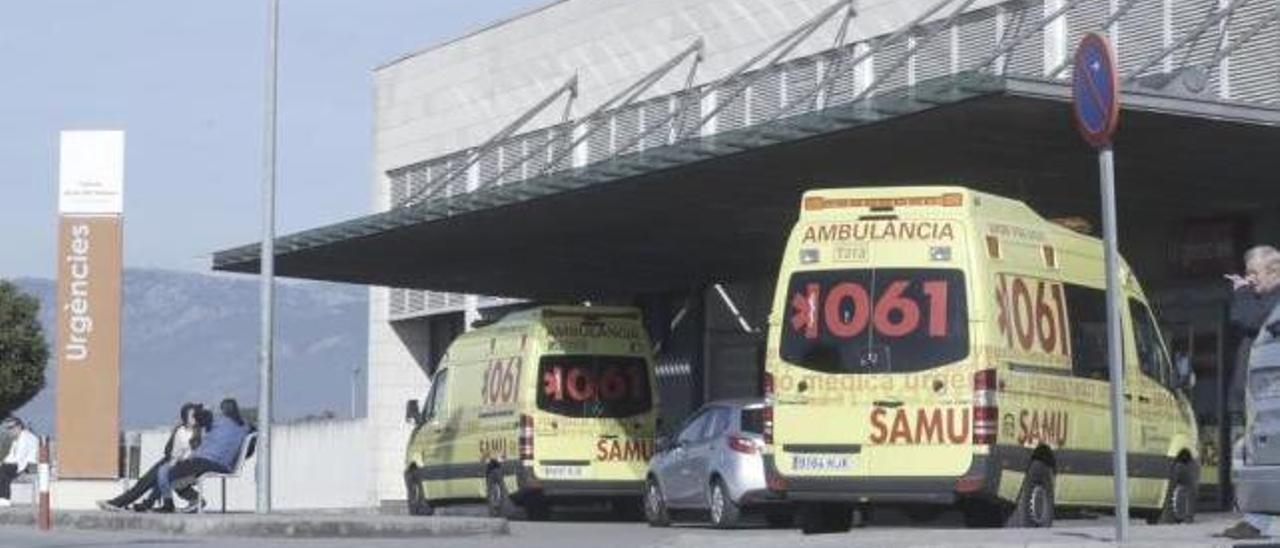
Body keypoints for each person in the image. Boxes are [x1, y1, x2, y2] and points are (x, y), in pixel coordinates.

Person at [1222, 245, 1280, 540]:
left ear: (1274, 271)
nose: (1249, 279)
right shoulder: (1256, 300)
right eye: (1247, 274)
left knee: (1261, 459)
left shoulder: (1274, 301)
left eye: (1253, 273)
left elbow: (1248, 319)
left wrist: (1242, 293)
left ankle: (1259, 519)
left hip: (1268, 401)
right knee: (1247, 460)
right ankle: (1253, 518)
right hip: (1251, 398)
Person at [96, 403, 205, 512]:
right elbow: (170, 449)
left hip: (185, 465)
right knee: (145, 481)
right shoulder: (180, 430)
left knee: (161, 478)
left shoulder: (200, 432)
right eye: (192, 415)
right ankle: (120, 503)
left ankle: (138, 503)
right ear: (185, 416)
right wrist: (172, 459)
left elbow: (195, 454)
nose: (194, 418)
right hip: (171, 460)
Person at [152, 398, 250, 513]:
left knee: (166, 472)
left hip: (205, 463)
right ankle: (194, 501)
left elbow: (200, 416)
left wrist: (203, 408)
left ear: (223, 410)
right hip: (224, 465)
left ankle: (179, 502)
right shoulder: (245, 427)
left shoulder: (218, 420)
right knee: (172, 475)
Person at [0, 418, 39, 508]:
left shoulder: (25, 437)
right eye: (7, 428)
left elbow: (19, 458)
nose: (9, 431)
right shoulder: (16, 440)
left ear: (19, 427)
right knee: (4, 468)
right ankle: (2, 498)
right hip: (21, 464)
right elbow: (10, 456)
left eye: (11, 427)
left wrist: (3, 465)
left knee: (4, 470)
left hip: (31, 466)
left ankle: (4, 499)